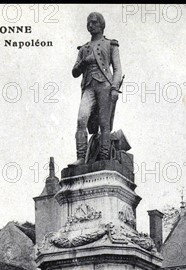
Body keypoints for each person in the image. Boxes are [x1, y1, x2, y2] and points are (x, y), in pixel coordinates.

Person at [71, 12, 122, 165]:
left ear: (101, 24)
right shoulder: (84, 49)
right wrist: (85, 61)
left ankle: (104, 157)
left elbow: (118, 69)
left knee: (104, 123)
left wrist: (114, 88)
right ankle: (81, 157)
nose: (90, 25)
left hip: (105, 86)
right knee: (81, 120)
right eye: (88, 23)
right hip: (88, 87)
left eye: (94, 22)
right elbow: (74, 72)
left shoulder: (110, 44)